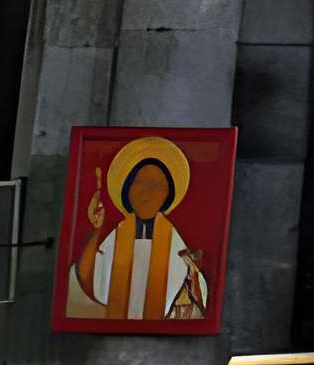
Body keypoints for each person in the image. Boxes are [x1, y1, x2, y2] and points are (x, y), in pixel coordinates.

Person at [66, 138, 210, 324]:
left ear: (168, 194)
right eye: (139, 183)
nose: (146, 193)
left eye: (155, 185)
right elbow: (87, 281)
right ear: (127, 190)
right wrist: (96, 231)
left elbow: (191, 298)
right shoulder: (116, 237)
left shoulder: (176, 246)